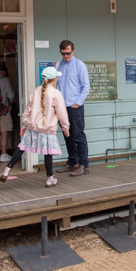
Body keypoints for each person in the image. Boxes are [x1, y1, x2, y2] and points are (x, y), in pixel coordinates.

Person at [0, 67, 69, 187]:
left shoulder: (36, 91)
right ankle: (50, 178)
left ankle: (7, 170)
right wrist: (65, 128)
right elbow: (62, 113)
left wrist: (25, 124)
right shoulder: (56, 94)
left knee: (21, 148)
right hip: (47, 129)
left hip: (32, 128)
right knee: (48, 153)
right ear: (55, 79)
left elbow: (27, 110)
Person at [54, 40, 91, 177]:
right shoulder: (59, 65)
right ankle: (72, 162)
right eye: (63, 53)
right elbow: (56, 85)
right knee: (67, 135)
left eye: (68, 53)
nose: (66, 56)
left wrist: (77, 103)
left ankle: (84, 164)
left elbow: (86, 86)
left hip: (74, 106)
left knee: (78, 135)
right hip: (62, 107)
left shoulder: (79, 65)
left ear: (73, 51)